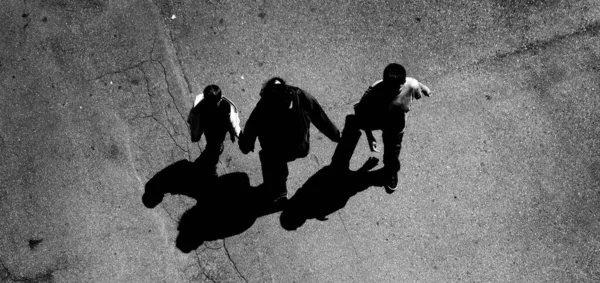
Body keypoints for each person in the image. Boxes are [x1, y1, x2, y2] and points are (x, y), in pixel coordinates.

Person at [332, 63, 431, 193]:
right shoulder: (373, 93)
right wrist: (370, 136)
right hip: (377, 120)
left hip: (396, 127)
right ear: (384, 83)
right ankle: (339, 163)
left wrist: (423, 88)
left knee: (393, 152)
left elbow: (415, 83)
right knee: (353, 122)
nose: (397, 89)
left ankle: (391, 171)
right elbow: (361, 113)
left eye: (400, 85)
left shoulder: (410, 85)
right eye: (392, 87)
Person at [239, 77, 341, 203]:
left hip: (276, 149)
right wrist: (335, 135)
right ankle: (279, 190)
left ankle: (279, 190)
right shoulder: (298, 96)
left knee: (271, 159)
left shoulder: (264, 107)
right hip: (300, 147)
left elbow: (251, 127)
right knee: (277, 156)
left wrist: (246, 145)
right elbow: (318, 115)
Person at [187, 84, 241, 179]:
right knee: (214, 148)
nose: (210, 106)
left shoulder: (226, 106)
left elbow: (233, 122)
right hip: (211, 131)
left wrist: (237, 134)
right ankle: (211, 167)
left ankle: (211, 160)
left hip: (219, 130)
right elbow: (193, 117)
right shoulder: (201, 107)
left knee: (214, 146)